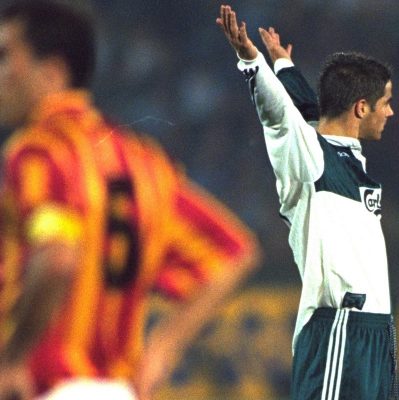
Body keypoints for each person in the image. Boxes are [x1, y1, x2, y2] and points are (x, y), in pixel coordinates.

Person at [0, 1, 261, 399]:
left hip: (46, 386)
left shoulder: (39, 151)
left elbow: (56, 257)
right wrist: (162, 350)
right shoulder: (144, 163)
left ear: (51, 71)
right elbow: (233, 252)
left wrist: (14, 359)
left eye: (5, 57)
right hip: (118, 390)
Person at [217, 5, 397, 399]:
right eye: (385, 102)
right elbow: (280, 115)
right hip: (339, 328)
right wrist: (253, 61)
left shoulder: (344, 151)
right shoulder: (311, 158)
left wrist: (285, 66)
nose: (390, 111)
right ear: (361, 108)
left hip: (375, 331)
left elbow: (309, 108)